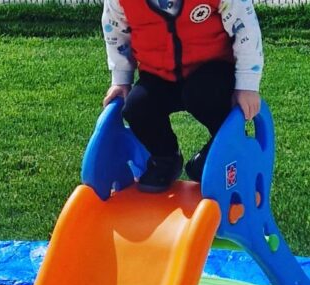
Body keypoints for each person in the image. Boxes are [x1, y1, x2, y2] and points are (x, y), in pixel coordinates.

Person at [101, 0, 264, 192]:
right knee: (137, 107)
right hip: (158, 73)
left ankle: (221, 150)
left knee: (205, 95)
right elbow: (116, 33)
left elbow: (245, 28)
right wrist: (121, 80)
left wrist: (247, 85)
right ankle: (165, 158)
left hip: (210, 69)